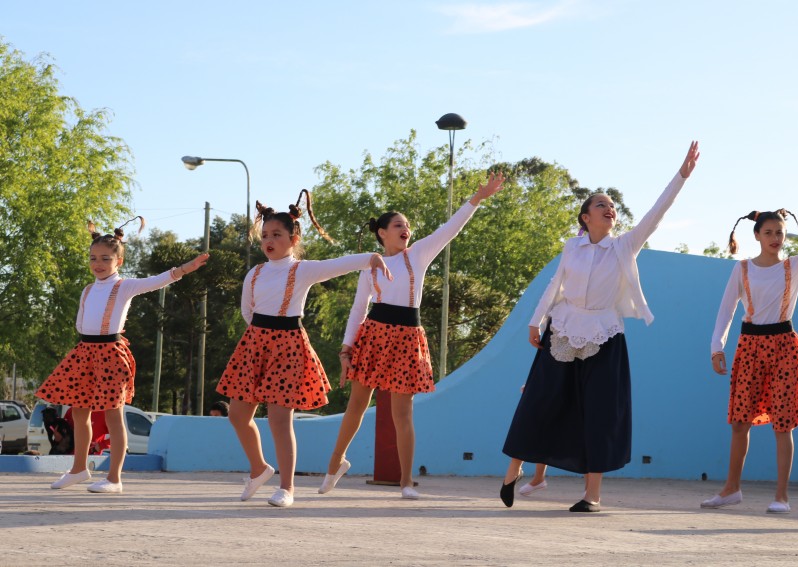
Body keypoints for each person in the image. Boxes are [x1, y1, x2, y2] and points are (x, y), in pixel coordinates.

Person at [500, 142, 700, 512]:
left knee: (600, 411)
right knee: (539, 401)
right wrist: (535, 321)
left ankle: (591, 495)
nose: (609, 209)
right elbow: (553, 285)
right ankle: (513, 472)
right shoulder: (570, 248)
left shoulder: (624, 247)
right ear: (584, 216)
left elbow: (658, 213)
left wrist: (682, 176)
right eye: (601, 204)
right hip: (561, 329)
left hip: (605, 335)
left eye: (612, 205)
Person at [319, 172, 506, 500]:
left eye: (407, 225)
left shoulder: (418, 255)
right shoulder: (369, 268)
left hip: (407, 338)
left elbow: (450, 230)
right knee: (357, 405)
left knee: (402, 413)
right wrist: (346, 349)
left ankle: (406, 482)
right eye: (397, 225)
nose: (405, 229)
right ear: (382, 233)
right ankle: (335, 462)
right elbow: (357, 310)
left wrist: (476, 199)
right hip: (373, 336)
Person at [216, 192, 392, 508]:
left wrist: (370, 258)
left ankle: (287, 487)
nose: (269, 241)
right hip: (255, 343)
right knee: (238, 414)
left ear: (293, 238)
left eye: (277, 235)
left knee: (280, 418)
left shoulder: (302, 270)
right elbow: (247, 310)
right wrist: (260, 335)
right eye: (265, 235)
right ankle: (259, 469)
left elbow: (336, 265)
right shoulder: (254, 273)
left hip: (287, 345)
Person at [37, 217, 209, 493]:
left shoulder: (124, 286)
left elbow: (157, 281)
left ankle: (114, 478)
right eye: (93, 258)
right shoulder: (88, 289)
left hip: (110, 353)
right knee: (79, 412)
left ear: (118, 261)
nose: (98, 263)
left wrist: (184, 269)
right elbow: (82, 323)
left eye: (105, 258)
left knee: (113, 416)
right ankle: (79, 469)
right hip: (84, 352)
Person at [702, 198, 798, 514]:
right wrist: (717, 347)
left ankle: (781, 496)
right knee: (739, 422)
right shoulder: (741, 269)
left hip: (784, 346)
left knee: (783, 424)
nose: (775, 238)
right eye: (768, 232)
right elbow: (726, 311)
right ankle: (731, 489)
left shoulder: (795, 266)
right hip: (749, 347)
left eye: (779, 233)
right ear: (756, 235)